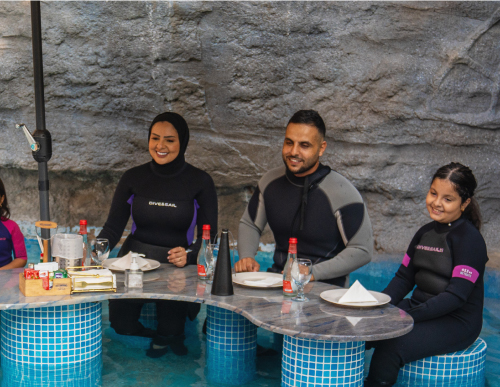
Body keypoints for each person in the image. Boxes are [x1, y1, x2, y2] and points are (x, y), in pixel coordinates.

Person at [97, 112, 218, 357]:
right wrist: (93, 253)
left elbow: (209, 237)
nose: (160, 146)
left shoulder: (200, 182)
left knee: (172, 332)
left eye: (169, 140)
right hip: (133, 264)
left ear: (182, 143)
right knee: (121, 326)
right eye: (155, 138)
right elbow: (112, 228)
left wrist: (190, 254)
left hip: (176, 266)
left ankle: (166, 337)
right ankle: (150, 339)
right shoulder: (133, 177)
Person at [364, 163, 487, 387]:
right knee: (364, 330)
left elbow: (456, 296)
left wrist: (406, 318)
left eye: (448, 199)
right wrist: (379, 309)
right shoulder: (424, 233)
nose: (437, 203)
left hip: (457, 320)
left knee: (392, 344)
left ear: (465, 203)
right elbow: (403, 278)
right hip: (420, 309)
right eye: (433, 193)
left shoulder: (470, 240)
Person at [236, 110, 373, 286]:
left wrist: (312, 272)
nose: (294, 151)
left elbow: (362, 250)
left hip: (325, 291)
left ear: (321, 148)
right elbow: (250, 224)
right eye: (289, 143)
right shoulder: (270, 182)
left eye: (304, 145)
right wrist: (247, 257)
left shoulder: (342, 191)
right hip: (278, 283)